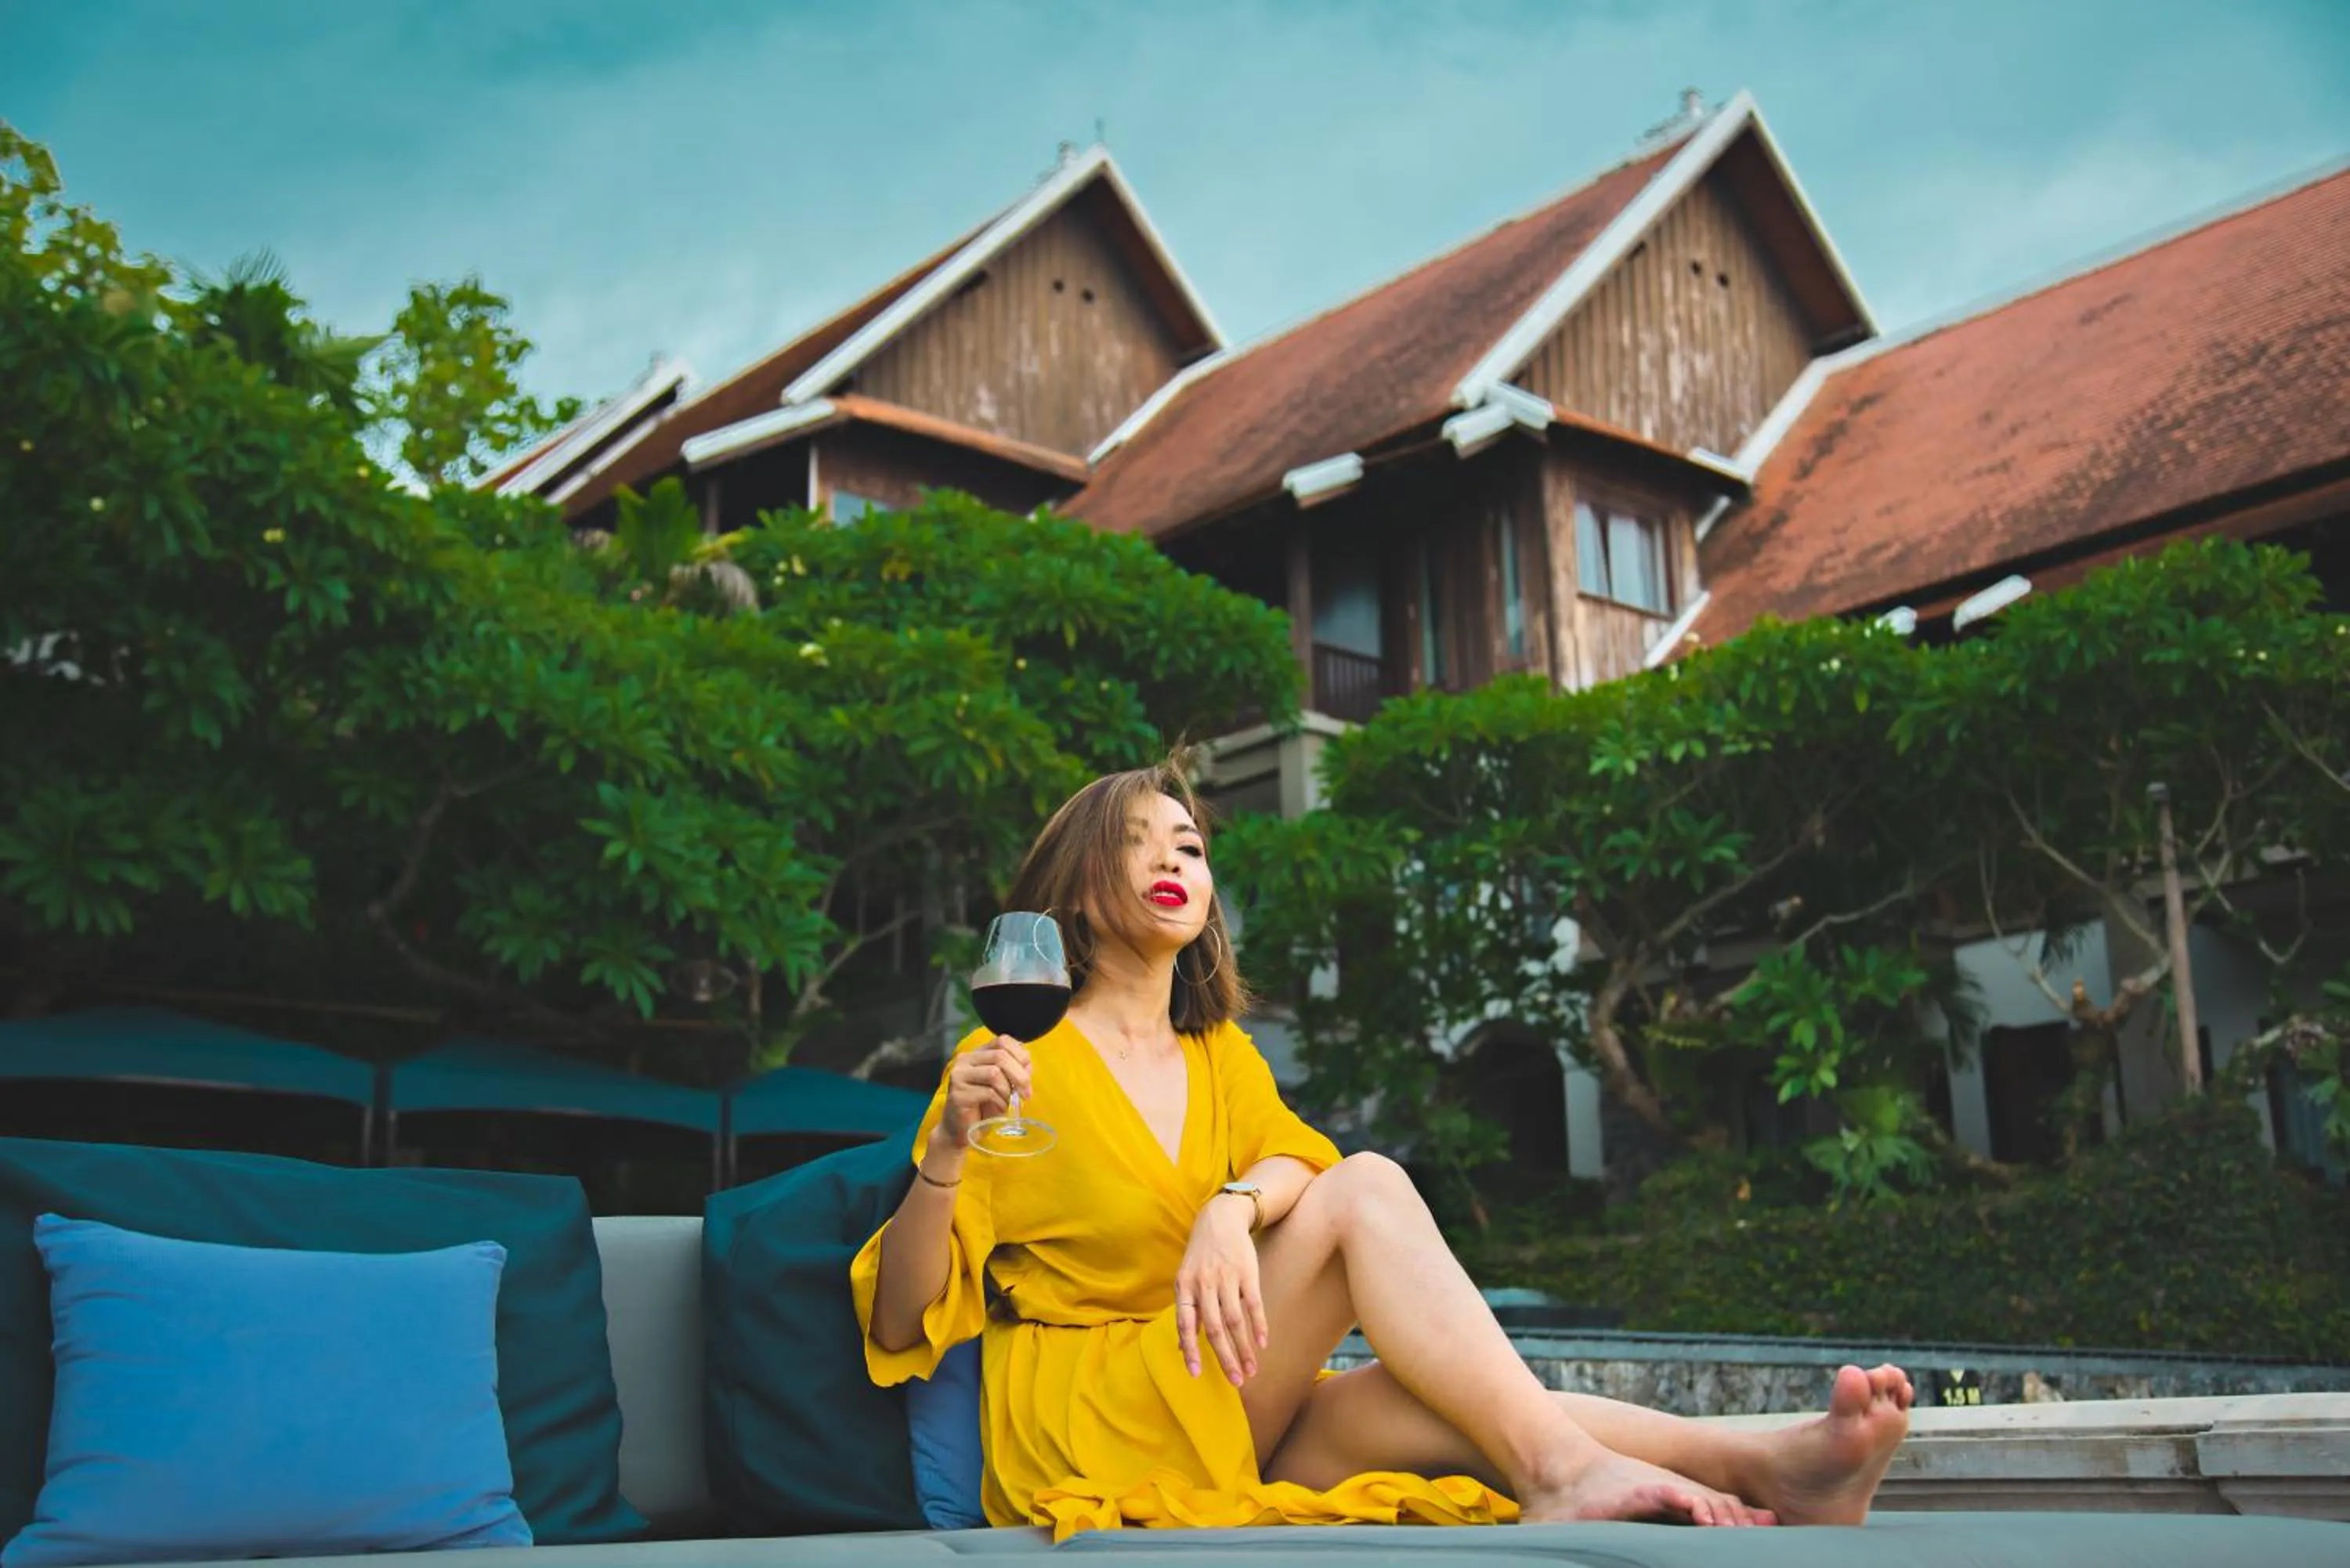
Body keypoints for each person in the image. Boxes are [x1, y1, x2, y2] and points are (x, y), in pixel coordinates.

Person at [851, 761, 1913, 1537]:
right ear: (1080, 888)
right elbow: (905, 1319)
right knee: (1372, 1186)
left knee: (1442, 1401)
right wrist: (947, 1150)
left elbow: (1290, 1161)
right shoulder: (1012, 1060)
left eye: (1191, 845)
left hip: (1224, 1394)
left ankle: (1774, 1465)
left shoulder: (1218, 1054)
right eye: (1138, 840)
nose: (1174, 858)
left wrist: (1232, 1206)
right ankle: (1562, 1474)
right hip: (1100, 1420)